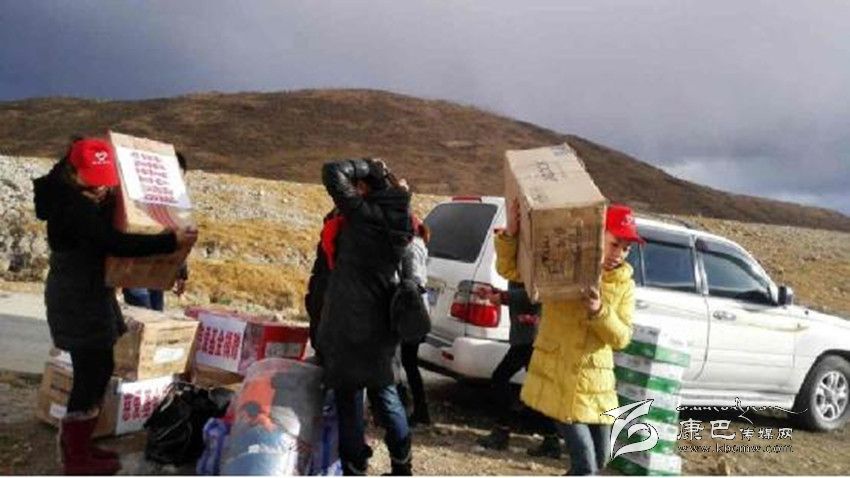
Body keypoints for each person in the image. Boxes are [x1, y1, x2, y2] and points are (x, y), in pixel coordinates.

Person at [33, 138, 197, 475]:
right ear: (72, 172)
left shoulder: (85, 196)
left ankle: (81, 444)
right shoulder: (71, 207)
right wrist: (170, 241)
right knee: (91, 371)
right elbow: (115, 242)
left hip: (93, 292)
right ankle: (75, 456)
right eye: (94, 180)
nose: (101, 187)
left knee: (100, 366)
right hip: (76, 297)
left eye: (104, 180)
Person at [494, 200, 642, 475]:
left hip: (596, 384)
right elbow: (512, 270)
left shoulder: (624, 285)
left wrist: (599, 311)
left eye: (626, 248)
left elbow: (622, 338)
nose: (619, 253)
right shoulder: (564, 264)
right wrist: (511, 234)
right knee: (586, 466)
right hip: (559, 377)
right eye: (614, 244)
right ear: (597, 237)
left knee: (600, 461)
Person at [316, 158, 415, 476]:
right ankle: (402, 465)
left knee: (349, 400)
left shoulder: (363, 215)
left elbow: (332, 171)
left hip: (350, 324)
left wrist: (367, 166)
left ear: (363, 187)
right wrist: (380, 175)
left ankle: (355, 467)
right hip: (381, 325)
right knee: (386, 393)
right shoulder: (402, 219)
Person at [475, 278, 562, 459]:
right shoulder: (517, 270)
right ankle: (550, 439)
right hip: (526, 336)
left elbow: (537, 292)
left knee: (502, 378)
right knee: (535, 387)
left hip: (531, 338)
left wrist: (503, 296)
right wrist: (496, 293)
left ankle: (503, 432)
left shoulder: (530, 266)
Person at [122, 151, 190, 310]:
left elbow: (180, 239)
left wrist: (181, 273)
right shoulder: (137, 196)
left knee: (156, 314)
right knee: (143, 314)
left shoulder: (176, 202)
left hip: (158, 270)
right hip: (135, 270)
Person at [397, 215, 432, 426]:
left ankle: (417, 408)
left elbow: (414, 280)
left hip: (411, 310)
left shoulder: (411, 248)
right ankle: (418, 407)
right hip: (417, 308)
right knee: (408, 361)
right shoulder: (419, 245)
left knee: (407, 361)